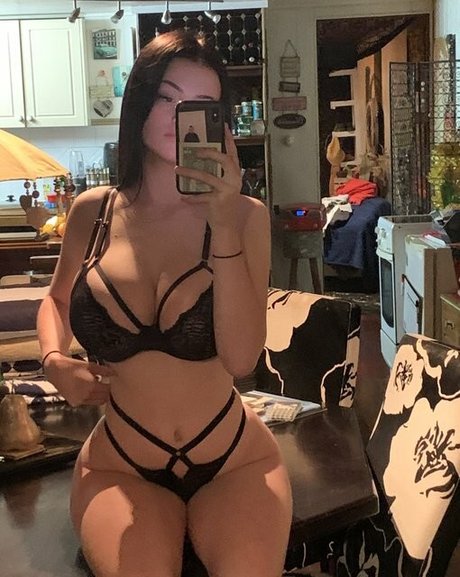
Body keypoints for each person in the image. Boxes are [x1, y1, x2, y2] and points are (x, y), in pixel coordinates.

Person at [37, 30, 292, 577]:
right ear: (138, 104)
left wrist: (223, 225)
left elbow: (242, 359)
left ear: (219, 121)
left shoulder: (244, 217)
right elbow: (56, 301)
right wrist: (54, 361)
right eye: (168, 98)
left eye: (200, 105)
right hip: (120, 463)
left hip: (234, 458)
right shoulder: (92, 213)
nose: (182, 118)